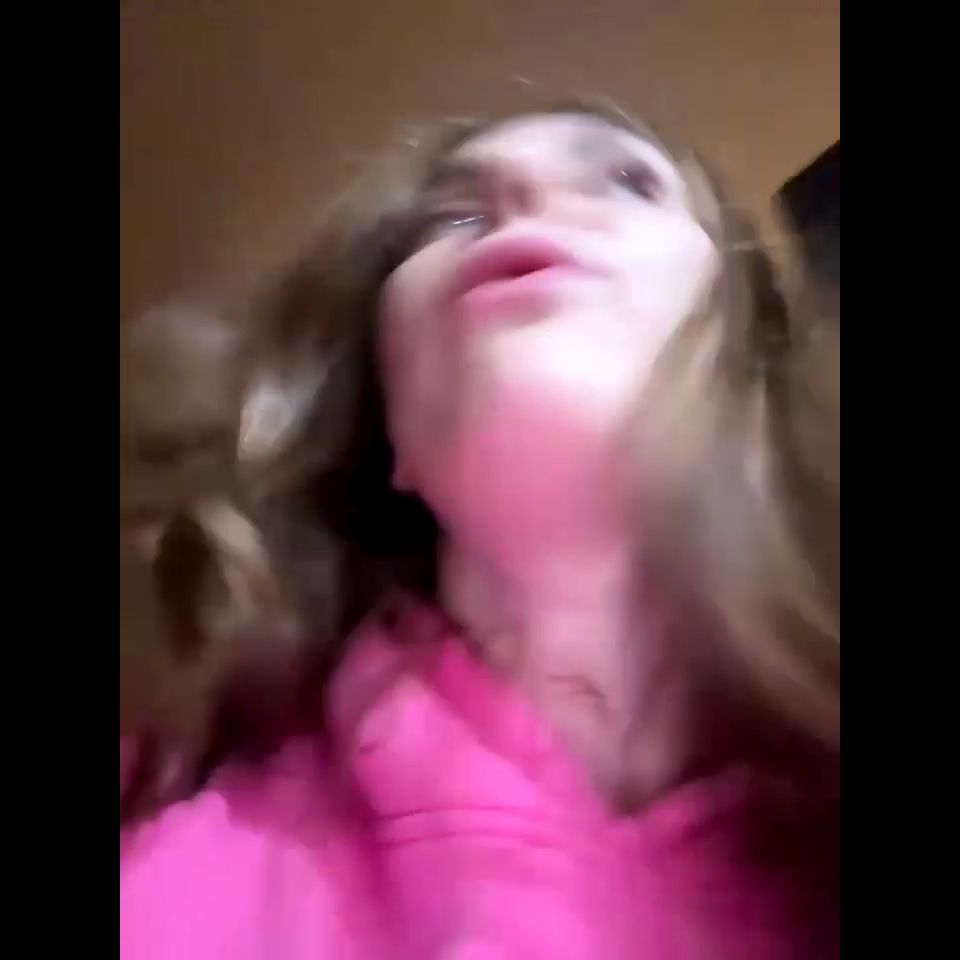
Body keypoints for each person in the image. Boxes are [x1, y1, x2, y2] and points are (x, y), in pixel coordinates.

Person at [120, 102, 840, 958]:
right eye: (451, 218)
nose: (521, 191)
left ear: (751, 372)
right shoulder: (157, 844)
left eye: (626, 181)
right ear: (389, 435)